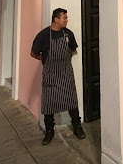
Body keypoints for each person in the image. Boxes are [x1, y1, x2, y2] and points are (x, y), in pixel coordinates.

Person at [31, 8, 86, 145]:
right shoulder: (43, 35)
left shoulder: (68, 34)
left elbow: (73, 49)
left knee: (71, 100)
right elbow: (33, 53)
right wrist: (45, 59)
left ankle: (77, 127)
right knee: (48, 103)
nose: (67, 20)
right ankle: (49, 131)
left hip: (66, 73)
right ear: (56, 19)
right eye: (65, 18)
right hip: (50, 74)